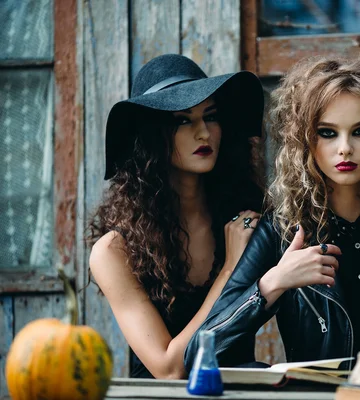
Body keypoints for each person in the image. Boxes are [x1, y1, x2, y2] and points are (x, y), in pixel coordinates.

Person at [184, 50, 360, 371]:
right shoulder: (281, 233)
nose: (344, 147)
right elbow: (201, 352)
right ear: (306, 140)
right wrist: (274, 282)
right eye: (328, 133)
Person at [88, 54, 265, 379]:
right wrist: (230, 270)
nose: (204, 133)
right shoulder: (114, 252)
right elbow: (169, 369)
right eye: (183, 120)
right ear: (152, 136)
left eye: (210, 116)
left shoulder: (247, 221)